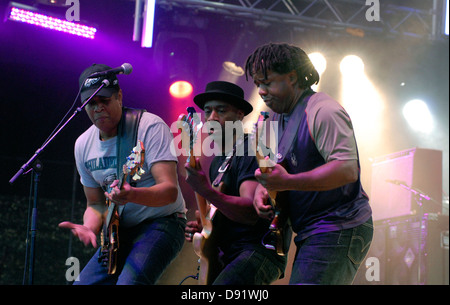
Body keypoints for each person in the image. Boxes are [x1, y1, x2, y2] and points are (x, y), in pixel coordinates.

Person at [245, 43, 373, 285]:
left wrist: (288, 182)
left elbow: (347, 170)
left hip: (339, 225)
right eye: (257, 84)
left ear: (292, 77)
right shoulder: (273, 120)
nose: (261, 91)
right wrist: (262, 192)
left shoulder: (323, 110)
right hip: (312, 230)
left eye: (267, 82)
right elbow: (273, 174)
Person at [59, 63, 186, 285]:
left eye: (104, 101)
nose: (98, 108)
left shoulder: (149, 127)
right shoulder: (82, 144)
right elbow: (95, 204)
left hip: (162, 222)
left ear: (119, 96)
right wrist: (89, 226)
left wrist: (132, 195)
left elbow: (170, 192)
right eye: (91, 104)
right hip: (117, 231)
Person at [183, 81, 286, 285]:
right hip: (230, 254)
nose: (212, 118)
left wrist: (206, 191)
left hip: (256, 251)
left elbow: (249, 213)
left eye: (221, 111)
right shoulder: (217, 162)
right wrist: (205, 229)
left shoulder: (249, 150)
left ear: (240, 115)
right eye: (207, 111)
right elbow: (222, 210)